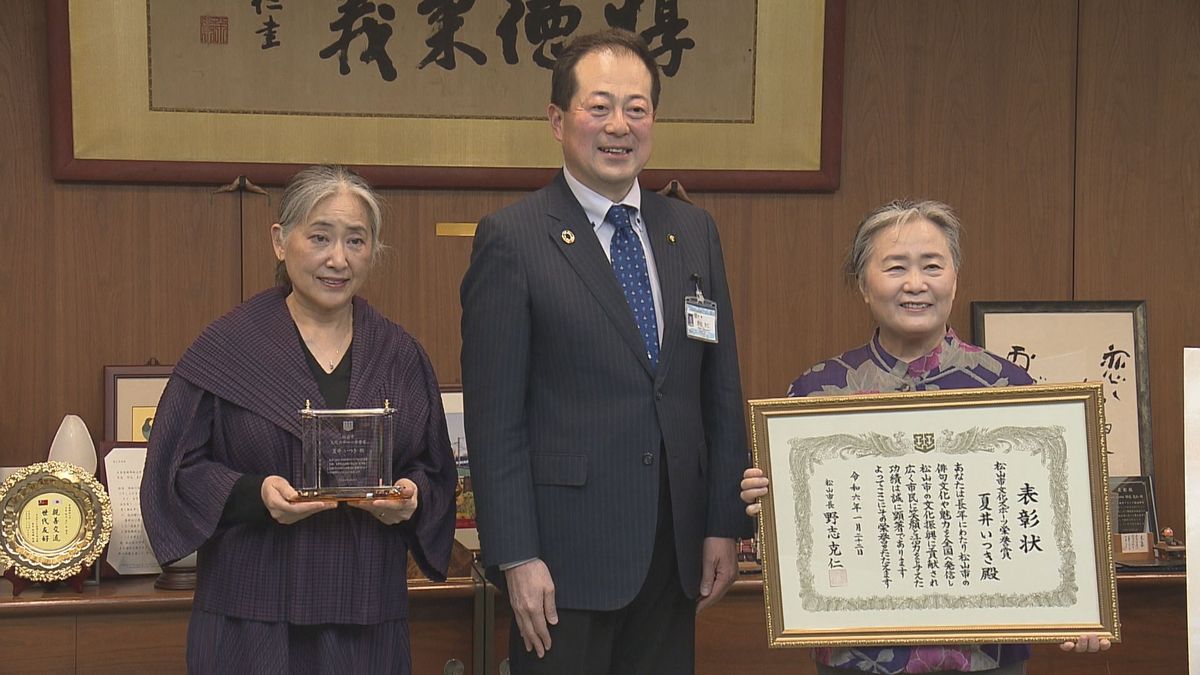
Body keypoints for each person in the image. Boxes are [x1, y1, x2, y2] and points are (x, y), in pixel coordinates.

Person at [460, 28, 750, 674]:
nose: (619, 126)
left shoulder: (693, 231)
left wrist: (723, 521)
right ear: (558, 121)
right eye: (599, 107)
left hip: (673, 554)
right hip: (564, 562)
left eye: (637, 108)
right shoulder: (514, 239)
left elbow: (719, 388)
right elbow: (494, 418)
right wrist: (516, 555)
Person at [740, 199, 1111, 675]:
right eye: (895, 267)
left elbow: (1061, 525)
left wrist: (1083, 607)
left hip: (986, 658)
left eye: (932, 266)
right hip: (857, 656)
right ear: (863, 284)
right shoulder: (815, 394)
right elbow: (794, 542)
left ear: (954, 278)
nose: (915, 284)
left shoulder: (1010, 389)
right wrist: (761, 501)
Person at [141, 165, 457, 674]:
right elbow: (175, 474)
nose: (338, 259)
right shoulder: (227, 348)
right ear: (280, 242)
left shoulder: (400, 355)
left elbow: (436, 470)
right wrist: (254, 493)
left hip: (366, 616)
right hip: (250, 618)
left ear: (373, 251)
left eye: (356, 241)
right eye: (320, 237)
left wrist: (410, 497)